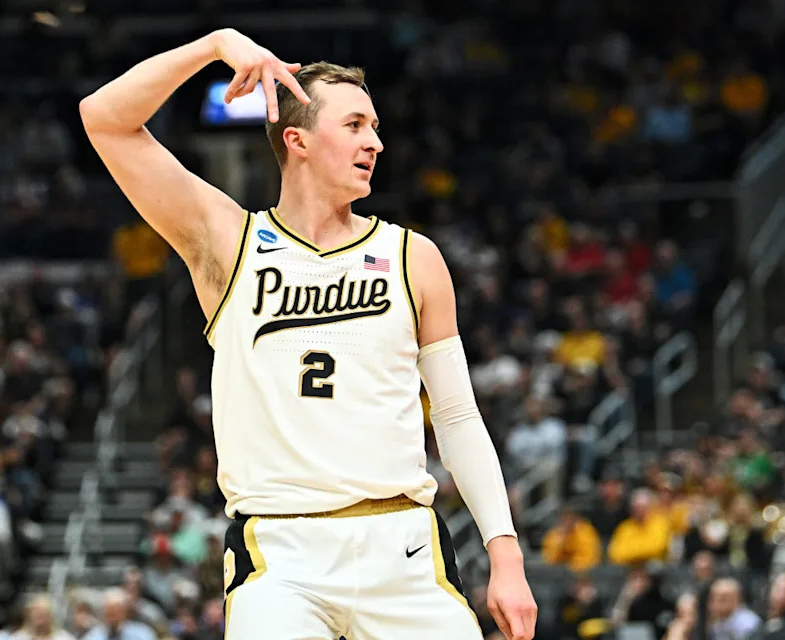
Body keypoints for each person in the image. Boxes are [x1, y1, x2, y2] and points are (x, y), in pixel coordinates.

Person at [80, 27, 536, 640]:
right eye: (354, 125)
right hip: (281, 550)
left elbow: (456, 416)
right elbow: (104, 119)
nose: (374, 141)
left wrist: (505, 554)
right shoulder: (228, 242)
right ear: (296, 139)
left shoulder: (413, 256)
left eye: (375, 127)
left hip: (401, 543)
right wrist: (214, 47)